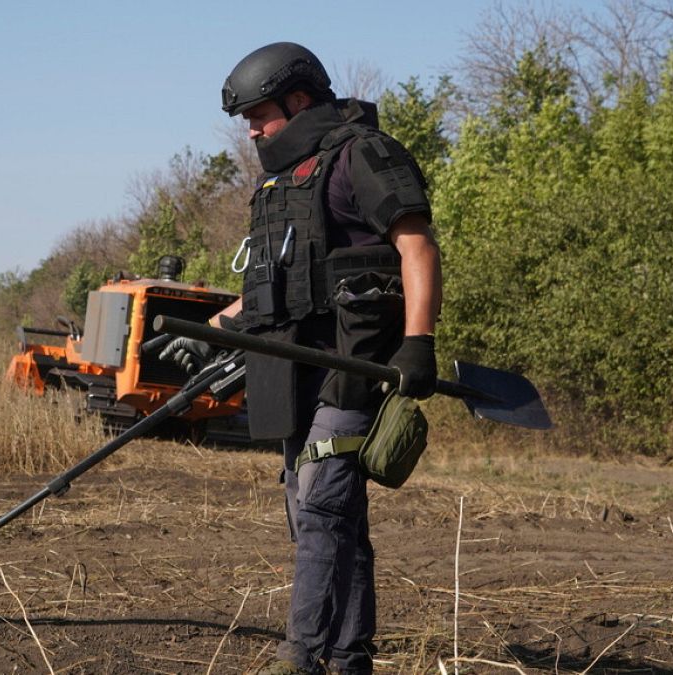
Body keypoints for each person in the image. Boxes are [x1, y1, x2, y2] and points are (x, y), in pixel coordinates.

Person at [162, 42, 441, 675]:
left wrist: (418, 343)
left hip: (352, 370)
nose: (253, 130)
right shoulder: (280, 184)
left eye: (260, 115)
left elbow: (417, 247)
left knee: (321, 506)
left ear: (298, 100)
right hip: (290, 373)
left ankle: (300, 658)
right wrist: (212, 330)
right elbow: (273, 282)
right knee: (320, 515)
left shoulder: (363, 155)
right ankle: (348, 657)